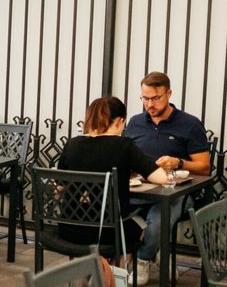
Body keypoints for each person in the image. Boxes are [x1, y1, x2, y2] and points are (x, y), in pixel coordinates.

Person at [123, 72, 211, 285]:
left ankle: (143, 260)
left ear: (169, 93)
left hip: (178, 192)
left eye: (156, 98)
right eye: (145, 98)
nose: (149, 104)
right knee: (112, 207)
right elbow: (124, 156)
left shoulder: (189, 124)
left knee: (158, 216)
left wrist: (179, 163)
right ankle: (153, 251)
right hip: (140, 188)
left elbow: (204, 168)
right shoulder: (135, 122)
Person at [58, 96, 169, 259]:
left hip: (69, 230)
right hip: (109, 233)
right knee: (140, 224)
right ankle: (119, 269)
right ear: (120, 122)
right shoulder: (124, 145)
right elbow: (162, 179)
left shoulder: (72, 144)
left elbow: (60, 187)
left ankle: (97, 270)